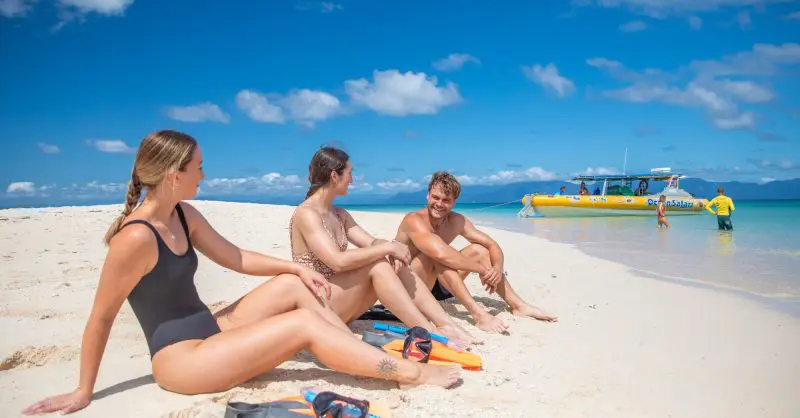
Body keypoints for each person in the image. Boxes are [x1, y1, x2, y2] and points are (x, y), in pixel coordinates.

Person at [22, 131, 460, 416]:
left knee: (293, 283)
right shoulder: (134, 238)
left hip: (211, 328)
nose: (204, 173)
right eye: (198, 167)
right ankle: (407, 372)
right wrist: (83, 391)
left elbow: (235, 257)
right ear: (174, 175)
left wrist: (294, 267)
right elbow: (100, 316)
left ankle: (344, 347)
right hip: (182, 360)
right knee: (303, 322)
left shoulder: (183, 213)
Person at [289, 147, 477, 347]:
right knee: (378, 263)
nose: (352, 179)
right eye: (349, 173)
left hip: (341, 301)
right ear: (335, 176)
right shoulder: (307, 214)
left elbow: (371, 242)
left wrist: (390, 248)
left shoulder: (338, 213)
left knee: (387, 259)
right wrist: (387, 249)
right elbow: (337, 261)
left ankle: (445, 324)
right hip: (319, 303)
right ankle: (428, 331)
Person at [393, 171, 558, 334]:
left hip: (438, 284)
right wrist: (483, 270)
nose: (439, 204)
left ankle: (518, 306)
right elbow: (441, 254)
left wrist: (497, 269)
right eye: (435, 197)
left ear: (454, 202)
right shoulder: (414, 220)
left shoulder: (456, 221)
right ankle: (478, 315)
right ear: (427, 195)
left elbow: (492, 244)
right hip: (408, 288)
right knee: (435, 256)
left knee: (480, 250)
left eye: (446, 200)